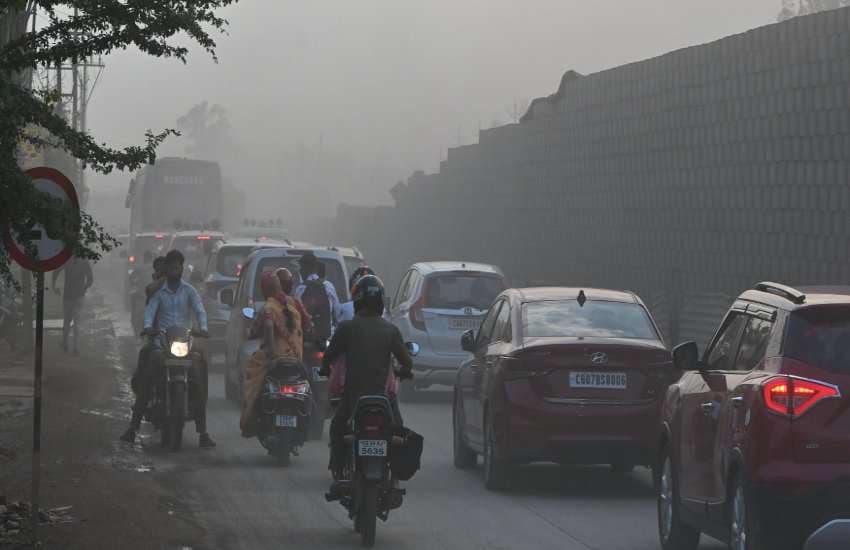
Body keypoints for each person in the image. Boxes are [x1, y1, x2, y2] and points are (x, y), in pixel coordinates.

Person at [120, 250, 215, 447]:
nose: (174, 270)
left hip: (185, 344)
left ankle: (203, 432)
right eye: (171, 267)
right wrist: (148, 327)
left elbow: (200, 310)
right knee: (148, 376)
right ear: (167, 269)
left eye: (178, 267)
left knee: (199, 374)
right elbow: (150, 312)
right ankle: (133, 426)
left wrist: (203, 328)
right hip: (161, 344)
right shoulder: (159, 293)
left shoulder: (190, 291)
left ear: (181, 269)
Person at [320, 275, 413, 474]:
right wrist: (403, 372)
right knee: (399, 427)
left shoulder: (347, 328)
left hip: (353, 397)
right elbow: (407, 362)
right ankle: (396, 472)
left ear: (358, 301)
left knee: (337, 427)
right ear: (380, 301)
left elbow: (328, 356)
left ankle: (336, 466)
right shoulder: (390, 330)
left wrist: (325, 369)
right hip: (384, 399)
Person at [240, 271, 303, 437]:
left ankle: (250, 421)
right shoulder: (294, 303)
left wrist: (270, 349)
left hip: (276, 358)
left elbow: (264, 328)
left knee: (251, 379)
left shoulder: (268, 308)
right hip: (296, 358)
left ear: (264, 290)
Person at [295, 251, 341, 342]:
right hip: (326, 338)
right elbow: (337, 312)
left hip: (306, 339)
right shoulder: (328, 286)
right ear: (316, 268)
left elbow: (296, 316)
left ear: (303, 269)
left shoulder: (300, 289)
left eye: (301, 268)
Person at [52, 256, 93, 355]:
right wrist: (84, 287)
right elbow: (90, 279)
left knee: (67, 321)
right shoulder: (84, 261)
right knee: (77, 322)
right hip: (79, 295)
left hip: (68, 295)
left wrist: (54, 286)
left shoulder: (66, 259)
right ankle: (76, 348)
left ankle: (65, 344)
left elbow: (56, 272)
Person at [275, 267, 312, 334]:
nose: (292, 284)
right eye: (290, 282)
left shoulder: (269, 303)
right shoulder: (295, 302)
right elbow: (307, 323)